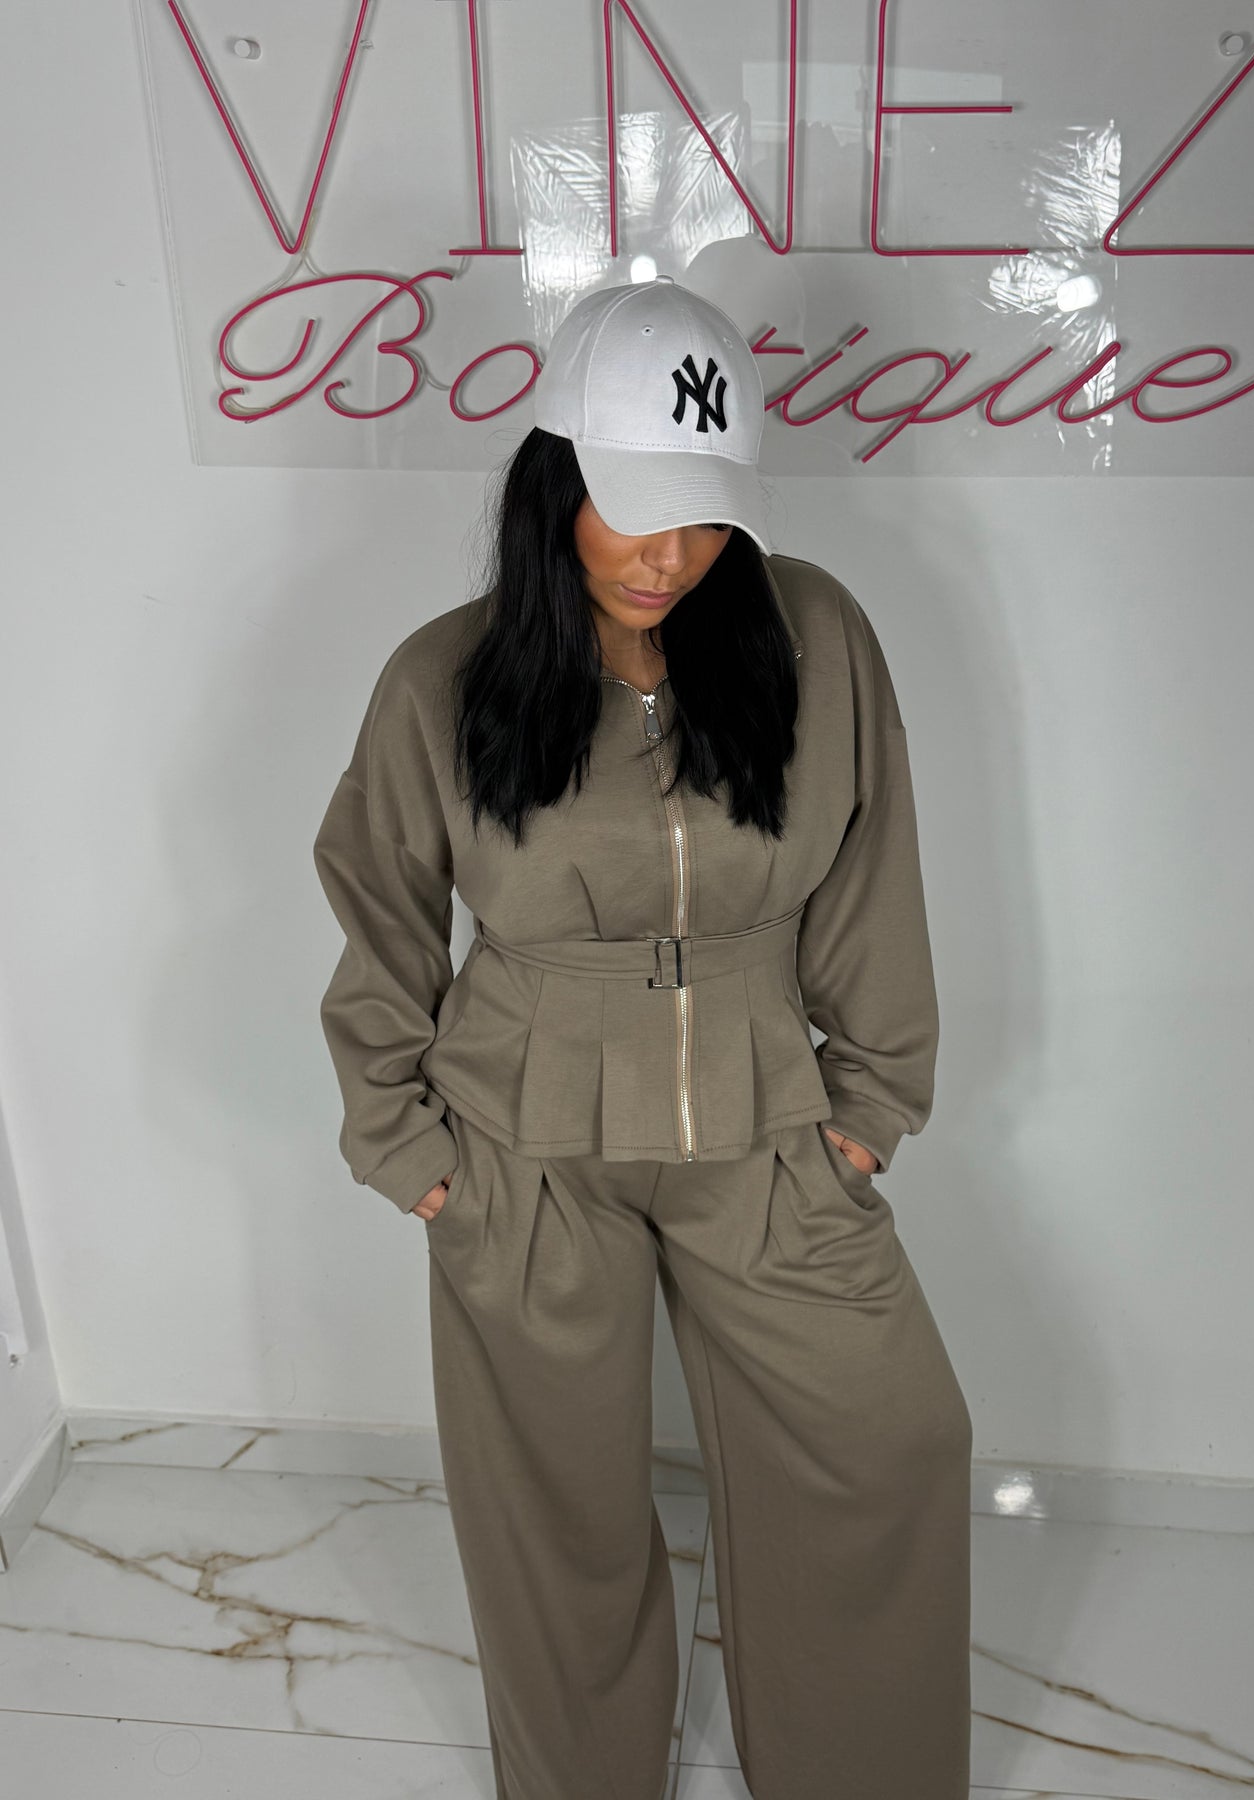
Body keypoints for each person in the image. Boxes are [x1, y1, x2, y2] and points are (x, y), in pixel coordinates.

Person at [312, 275, 972, 1800]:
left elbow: (872, 873)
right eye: (629, 510)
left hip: (767, 1128)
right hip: (519, 1146)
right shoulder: (440, 679)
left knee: (887, 1444)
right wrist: (409, 1153)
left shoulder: (814, 635)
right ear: (552, 482)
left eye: (700, 514)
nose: (666, 555)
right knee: (557, 1519)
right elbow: (380, 911)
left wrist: (869, 1103)